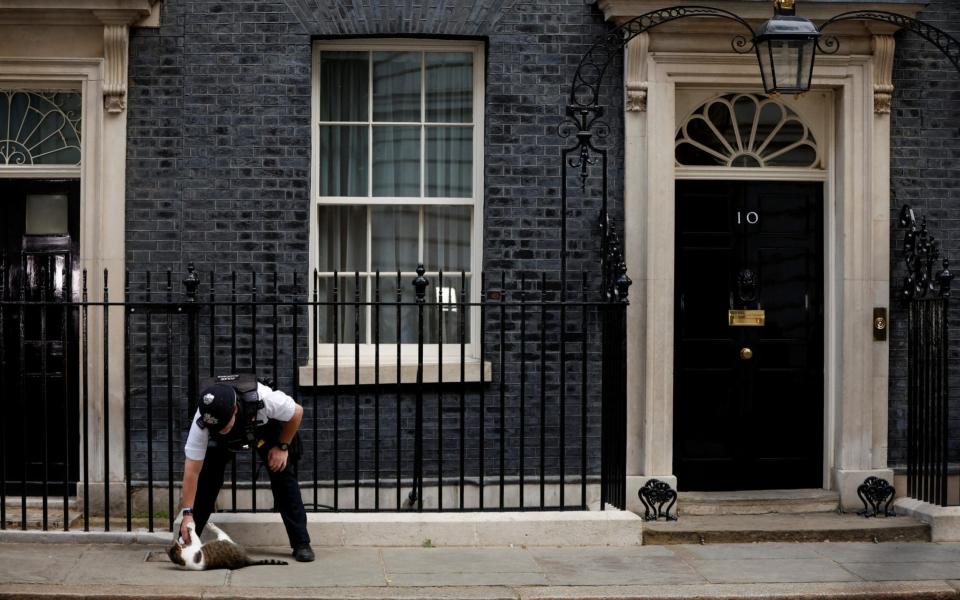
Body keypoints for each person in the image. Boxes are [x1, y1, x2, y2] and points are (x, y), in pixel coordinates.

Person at [177, 375, 314, 562]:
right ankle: (189, 539)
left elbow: (297, 412)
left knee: (283, 477)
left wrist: (282, 447)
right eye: (216, 426)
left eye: (224, 424)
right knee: (207, 480)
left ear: (234, 410)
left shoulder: (264, 399)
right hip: (222, 442)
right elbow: (192, 471)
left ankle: (301, 542)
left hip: (262, 428)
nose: (221, 428)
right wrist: (187, 514)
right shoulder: (204, 419)